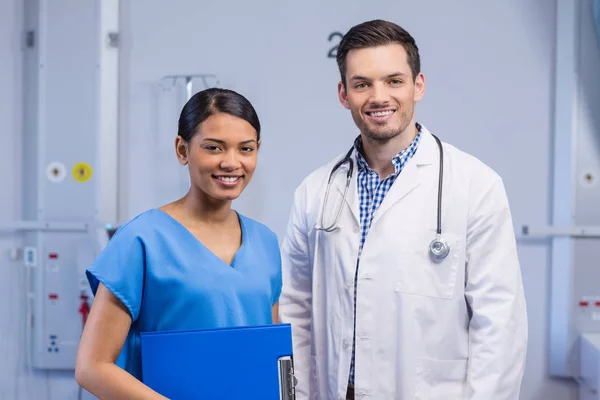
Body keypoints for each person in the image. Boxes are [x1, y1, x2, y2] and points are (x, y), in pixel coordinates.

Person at [278, 19, 528, 399]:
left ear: (418, 86)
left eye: (394, 81)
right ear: (344, 94)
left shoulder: (475, 185)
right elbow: (296, 309)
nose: (379, 97)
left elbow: (500, 325)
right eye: (362, 84)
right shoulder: (315, 191)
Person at [75, 88, 282, 399]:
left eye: (245, 149)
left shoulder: (265, 241)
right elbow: (92, 366)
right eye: (214, 148)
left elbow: (268, 354)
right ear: (182, 149)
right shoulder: (141, 239)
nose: (231, 162)